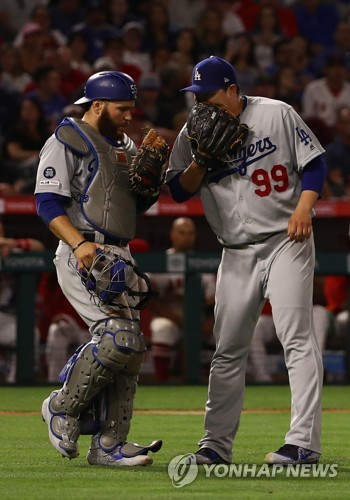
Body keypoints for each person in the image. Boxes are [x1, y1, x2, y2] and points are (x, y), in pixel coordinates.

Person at [167, 56, 327, 465]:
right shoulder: (193, 132)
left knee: (296, 339)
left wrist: (304, 207)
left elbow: (315, 164)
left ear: (233, 90)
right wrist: (201, 161)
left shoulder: (276, 113)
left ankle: (303, 443)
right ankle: (215, 445)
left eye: (209, 95)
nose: (201, 103)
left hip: (285, 240)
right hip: (235, 251)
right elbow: (179, 192)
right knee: (227, 349)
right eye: (197, 97)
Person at [34, 70, 164, 467]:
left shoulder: (125, 144)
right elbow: (46, 203)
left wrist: (149, 185)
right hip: (83, 250)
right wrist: (79, 243)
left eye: (131, 108)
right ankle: (61, 406)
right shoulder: (67, 138)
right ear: (98, 105)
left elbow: (125, 208)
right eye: (122, 108)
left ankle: (110, 444)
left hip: (119, 254)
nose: (129, 116)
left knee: (132, 349)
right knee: (119, 338)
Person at [147, 217, 216, 382]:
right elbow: (152, 301)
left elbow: (211, 301)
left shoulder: (203, 263)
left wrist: (209, 320)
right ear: (172, 235)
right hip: (170, 317)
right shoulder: (160, 262)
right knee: (161, 328)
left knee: (225, 333)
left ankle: (212, 381)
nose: (186, 237)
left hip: (198, 318)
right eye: (182, 233)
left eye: (190, 233)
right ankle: (162, 383)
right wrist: (178, 319)